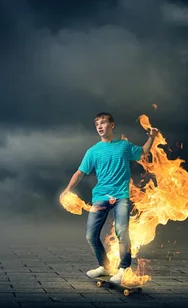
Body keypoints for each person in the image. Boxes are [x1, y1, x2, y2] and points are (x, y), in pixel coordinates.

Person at [60, 112, 158, 284]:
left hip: (121, 196)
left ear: (111, 125)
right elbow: (79, 173)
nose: (99, 126)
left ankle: (122, 269)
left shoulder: (124, 146)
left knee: (122, 233)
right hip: (100, 197)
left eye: (103, 122)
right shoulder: (93, 152)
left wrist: (152, 137)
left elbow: (143, 152)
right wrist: (67, 190)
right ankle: (105, 267)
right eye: (97, 123)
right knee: (91, 236)